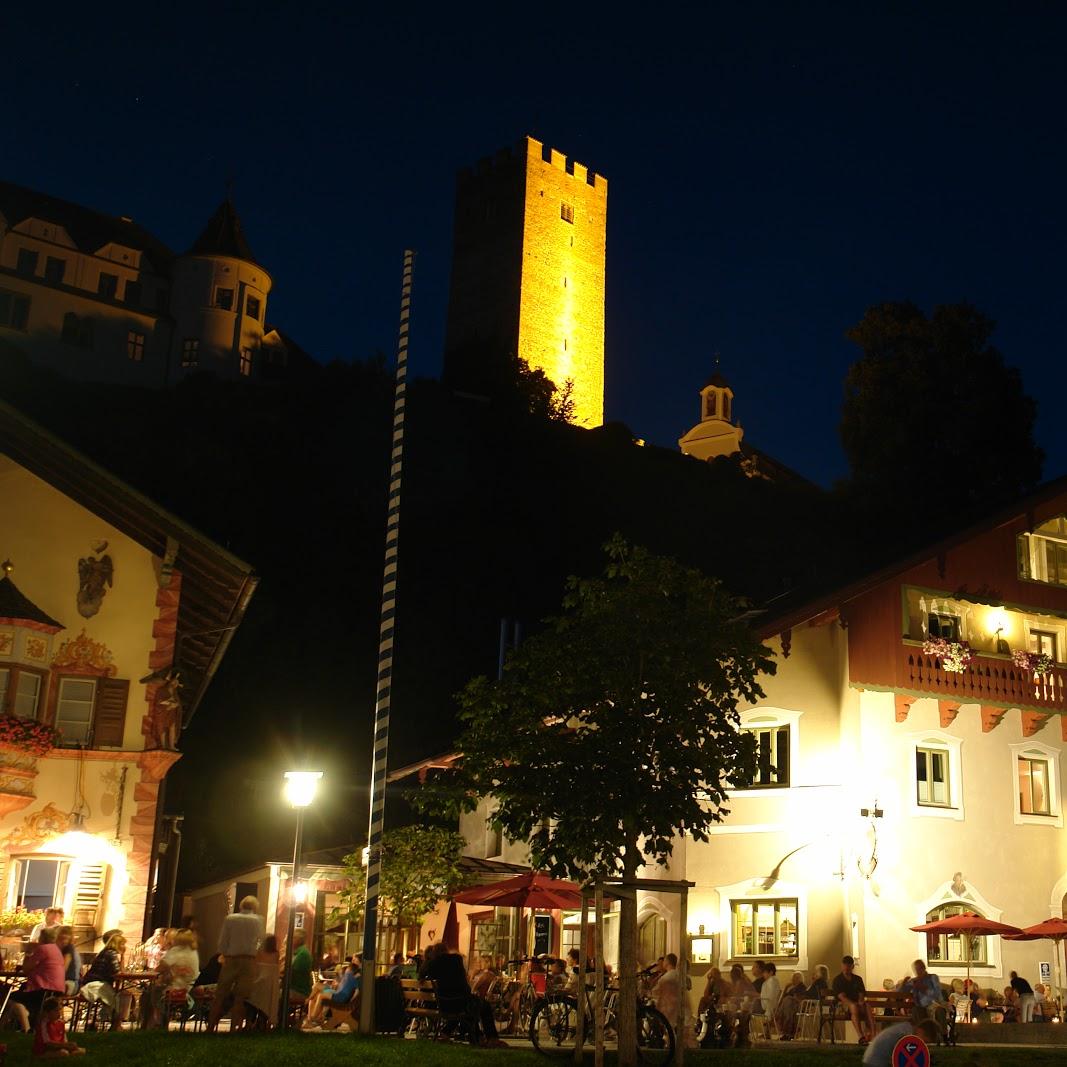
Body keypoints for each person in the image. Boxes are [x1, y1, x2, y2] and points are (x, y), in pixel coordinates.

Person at [422, 944, 506, 1047]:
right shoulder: (456, 959)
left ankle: (450, 1033)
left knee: (468, 1008)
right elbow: (466, 988)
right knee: (484, 1005)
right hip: (461, 1001)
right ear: (446, 951)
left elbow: (422, 974)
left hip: (444, 1004)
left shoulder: (432, 965)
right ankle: (491, 1038)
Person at [207, 895, 264, 1032]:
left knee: (220, 994)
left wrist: (223, 954)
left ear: (241, 906)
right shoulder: (258, 920)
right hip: (248, 959)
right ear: (255, 907)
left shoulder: (230, 919)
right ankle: (234, 1028)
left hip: (231, 958)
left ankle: (210, 1027)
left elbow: (223, 940)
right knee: (240, 997)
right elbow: (261, 941)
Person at [14, 927, 66, 1025]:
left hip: (43, 989)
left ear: (42, 938)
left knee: (12, 998)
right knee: (22, 988)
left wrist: (27, 953)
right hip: (56, 989)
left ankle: (26, 1026)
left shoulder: (43, 949)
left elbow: (27, 969)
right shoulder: (56, 949)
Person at [80, 931, 126, 1026]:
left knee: (121, 994)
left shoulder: (104, 952)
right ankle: (116, 1023)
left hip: (89, 982)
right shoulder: (111, 954)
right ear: (117, 944)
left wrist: (122, 956)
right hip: (97, 984)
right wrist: (123, 956)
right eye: (122, 944)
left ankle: (113, 1022)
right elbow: (118, 972)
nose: (124, 946)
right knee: (123, 995)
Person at [832, 955, 875, 1045]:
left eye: (849, 965)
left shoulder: (858, 979)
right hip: (843, 1006)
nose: (847, 967)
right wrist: (853, 1004)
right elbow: (842, 997)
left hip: (858, 1005)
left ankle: (873, 1033)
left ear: (852, 966)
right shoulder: (838, 980)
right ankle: (861, 1036)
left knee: (867, 1006)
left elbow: (861, 993)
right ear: (842, 965)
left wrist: (860, 1001)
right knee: (853, 1007)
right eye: (845, 965)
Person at [862, 1017, 939, 1066]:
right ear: (920, 1031)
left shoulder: (906, 1028)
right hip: (876, 1061)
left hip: (872, 1058)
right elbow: (902, 1060)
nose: (922, 1044)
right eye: (924, 1041)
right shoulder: (905, 1034)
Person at [304, 958, 360, 1028]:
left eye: (348, 969)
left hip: (339, 995)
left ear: (351, 970)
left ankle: (313, 1018)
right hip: (335, 992)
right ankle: (312, 1014)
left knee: (321, 995)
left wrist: (351, 1001)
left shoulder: (352, 977)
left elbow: (357, 991)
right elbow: (352, 988)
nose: (347, 970)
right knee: (318, 988)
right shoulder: (348, 976)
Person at [245, 935, 280, 1030]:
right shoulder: (276, 954)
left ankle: (249, 1022)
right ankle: (262, 1021)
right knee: (265, 1001)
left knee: (250, 1000)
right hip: (269, 986)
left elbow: (254, 967)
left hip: (258, 983)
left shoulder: (259, 953)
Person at [901, 958, 946, 1028]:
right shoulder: (914, 981)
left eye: (920, 969)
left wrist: (925, 989)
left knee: (939, 1011)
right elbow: (902, 992)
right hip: (920, 1007)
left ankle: (943, 1035)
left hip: (934, 1004)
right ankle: (923, 1035)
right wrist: (903, 983)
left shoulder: (933, 977)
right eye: (916, 969)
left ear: (924, 968)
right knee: (916, 1011)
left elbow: (938, 994)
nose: (918, 971)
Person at [774, 971, 807, 1040]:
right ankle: (787, 1033)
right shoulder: (792, 989)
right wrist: (786, 988)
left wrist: (791, 998)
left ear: (799, 979)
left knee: (788, 1002)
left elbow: (800, 999)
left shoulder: (802, 987)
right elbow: (781, 1000)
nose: (792, 980)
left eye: (794, 978)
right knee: (786, 1005)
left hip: (797, 1007)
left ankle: (787, 1032)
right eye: (792, 978)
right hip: (788, 1008)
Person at [652, 952, 682, 1023]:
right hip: (678, 1007)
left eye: (664, 961)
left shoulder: (665, 978)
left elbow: (656, 992)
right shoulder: (679, 976)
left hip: (668, 1009)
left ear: (667, 962)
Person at [288, 929, 313, 1008]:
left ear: (299, 940)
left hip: (299, 991)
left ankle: (281, 1018)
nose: (290, 940)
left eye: (293, 938)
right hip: (296, 989)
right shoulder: (298, 952)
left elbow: (291, 972)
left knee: (274, 994)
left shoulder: (302, 954)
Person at [55, 927, 81, 997]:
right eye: (61, 939)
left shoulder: (68, 949)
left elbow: (63, 969)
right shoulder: (72, 949)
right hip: (74, 984)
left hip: (69, 983)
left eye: (66, 939)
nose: (64, 942)